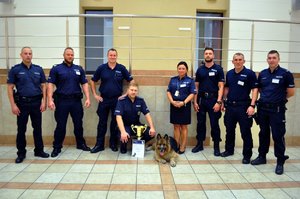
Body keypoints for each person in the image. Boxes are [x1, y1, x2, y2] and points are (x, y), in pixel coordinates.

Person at [251, 50, 295, 175]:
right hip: (263, 109)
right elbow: (259, 89)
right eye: (269, 58)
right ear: (267, 59)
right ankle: (262, 157)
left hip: (277, 110)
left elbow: (291, 92)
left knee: (278, 135)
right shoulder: (263, 74)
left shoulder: (286, 74)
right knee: (263, 134)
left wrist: (278, 99)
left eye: (274, 58)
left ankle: (280, 161)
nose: (271, 60)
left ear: (278, 59)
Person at [7, 47, 49, 163]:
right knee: (21, 130)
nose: (28, 55)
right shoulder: (15, 70)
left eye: (30, 53)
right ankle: (21, 153)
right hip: (22, 103)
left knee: (37, 128)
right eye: (25, 53)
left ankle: (39, 150)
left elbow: (43, 86)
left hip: (36, 103)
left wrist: (44, 101)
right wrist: (13, 105)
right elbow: (10, 88)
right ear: (21, 55)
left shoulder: (38, 69)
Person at [47, 47, 91, 157]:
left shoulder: (79, 69)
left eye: (72, 54)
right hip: (62, 102)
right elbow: (50, 84)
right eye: (68, 54)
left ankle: (80, 144)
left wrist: (88, 98)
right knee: (61, 126)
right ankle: (57, 147)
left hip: (76, 101)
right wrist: (50, 99)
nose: (70, 56)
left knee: (78, 124)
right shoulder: (56, 69)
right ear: (64, 55)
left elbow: (84, 84)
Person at [90, 48, 133, 153]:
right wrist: (95, 95)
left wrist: (126, 94)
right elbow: (92, 81)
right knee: (102, 123)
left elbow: (131, 80)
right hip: (104, 99)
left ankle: (113, 144)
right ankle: (99, 145)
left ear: (116, 56)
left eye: (114, 55)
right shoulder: (101, 68)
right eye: (111, 55)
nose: (112, 57)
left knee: (115, 123)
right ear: (107, 56)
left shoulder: (121, 68)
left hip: (117, 100)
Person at [220, 53, 258, 164]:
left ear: (244, 61)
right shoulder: (230, 74)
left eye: (240, 60)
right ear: (232, 61)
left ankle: (247, 155)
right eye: (235, 60)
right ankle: (229, 150)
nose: (238, 61)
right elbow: (226, 88)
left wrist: (252, 105)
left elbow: (254, 90)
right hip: (230, 106)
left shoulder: (250, 74)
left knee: (245, 132)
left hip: (244, 107)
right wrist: (223, 101)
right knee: (229, 130)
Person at [192, 47, 225, 156]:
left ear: (213, 56)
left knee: (214, 124)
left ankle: (216, 147)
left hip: (213, 100)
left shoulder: (219, 69)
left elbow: (221, 87)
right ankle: (199, 144)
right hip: (202, 100)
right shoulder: (200, 70)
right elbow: (196, 87)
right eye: (206, 53)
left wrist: (219, 102)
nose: (208, 55)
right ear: (204, 55)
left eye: (210, 53)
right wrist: (195, 102)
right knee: (200, 123)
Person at [115, 82, 156, 154]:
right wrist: (123, 132)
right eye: (131, 90)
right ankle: (123, 145)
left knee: (150, 133)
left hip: (136, 125)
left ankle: (136, 143)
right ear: (127, 90)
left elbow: (147, 114)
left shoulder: (140, 101)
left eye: (135, 90)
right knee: (123, 147)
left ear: (137, 91)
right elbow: (118, 117)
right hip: (125, 126)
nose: (133, 92)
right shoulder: (121, 101)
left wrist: (152, 127)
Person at [167, 61, 196, 154]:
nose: (181, 70)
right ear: (177, 69)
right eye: (179, 68)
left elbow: (192, 93)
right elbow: (168, 91)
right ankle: (176, 145)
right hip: (174, 105)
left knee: (183, 127)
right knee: (175, 126)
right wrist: (172, 101)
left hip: (185, 106)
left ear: (186, 69)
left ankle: (183, 146)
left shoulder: (190, 80)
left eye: (183, 68)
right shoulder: (173, 80)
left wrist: (183, 102)